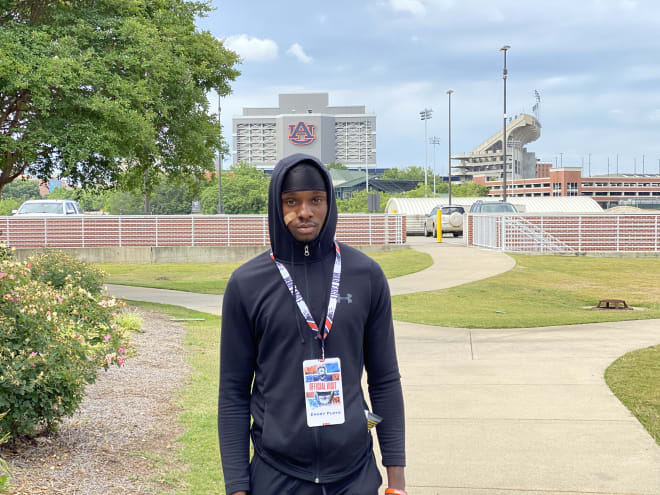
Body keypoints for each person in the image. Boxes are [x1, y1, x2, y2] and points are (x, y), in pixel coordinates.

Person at [218, 153, 406, 495]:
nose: (304, 212)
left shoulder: (366, 276)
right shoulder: (247, 284)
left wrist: (397, 482)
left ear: (329, 203)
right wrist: (237, 487)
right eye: (291, 201)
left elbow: (385, 380)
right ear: (277, 206)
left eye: (315, 200)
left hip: (354, 474)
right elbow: (233, 391)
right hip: (276, 473)